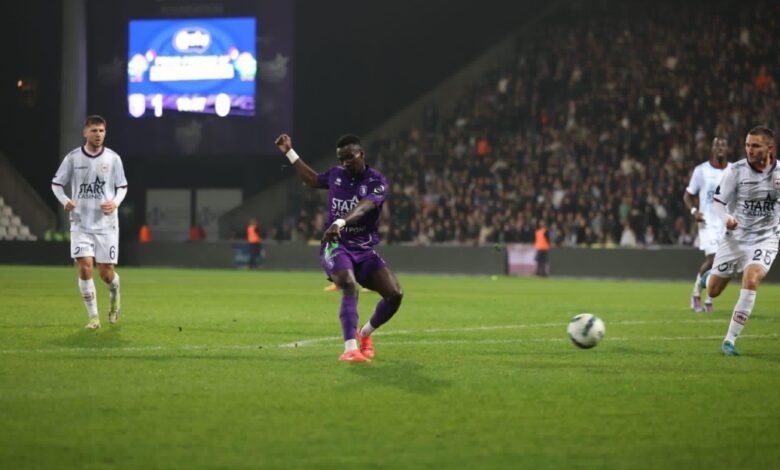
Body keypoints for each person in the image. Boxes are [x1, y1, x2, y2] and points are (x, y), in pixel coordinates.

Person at [275, 133, 403, 362]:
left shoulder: (377, 182)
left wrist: (340, 221)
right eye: (341, 159)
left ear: (361, 154)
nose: (345, 162)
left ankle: (364, 334)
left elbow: (365, 207)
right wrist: (289, 152)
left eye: (349, 157)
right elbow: (312, 180)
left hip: (364, 250)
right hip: (335, 245)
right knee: (349, 284)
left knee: (395, 295)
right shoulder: (336, 175)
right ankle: (350, 349)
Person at [705, 126, 778, 356]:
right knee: (714, 290)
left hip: (765, 239)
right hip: (735, 239)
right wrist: (727, 218)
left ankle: (729, 340)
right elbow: (717, 203)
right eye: (747, 145)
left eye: (755, 145)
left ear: (769, 148)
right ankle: (708, 276)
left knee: (752, 277)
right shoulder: (735, 171)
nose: (749, 149)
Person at [51, 115, 127, 329]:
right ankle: (94, 317)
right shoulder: (73, 158)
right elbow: (56, 184)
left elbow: (122, 186)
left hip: (106, 224)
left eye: (101, 131)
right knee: (85, 268)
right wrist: (65, 201)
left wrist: (116, 202)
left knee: (106, 274)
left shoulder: (113, 159)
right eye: (94, 130)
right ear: (85, 132)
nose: (98, 134)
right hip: (81, 223)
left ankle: (115, 296)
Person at [683, 135, 731, 312]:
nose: (720, 148)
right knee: (712, 260)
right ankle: (696, 294)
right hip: (707, 221)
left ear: (727, 149)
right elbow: (688, 195)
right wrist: (694, 211)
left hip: (726, 222)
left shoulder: (734, 170)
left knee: (723, 264)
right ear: (712, 148)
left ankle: (709, 299)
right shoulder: (701, 170)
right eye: (717, 144)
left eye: (723, 145)